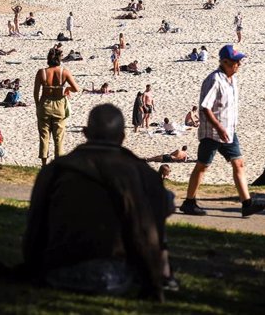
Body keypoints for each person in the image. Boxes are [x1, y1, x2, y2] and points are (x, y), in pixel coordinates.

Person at [23, 104, 175, 301]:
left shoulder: (56, 169)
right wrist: (153, 286)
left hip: (55, 269)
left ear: (85, 133)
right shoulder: (139, 172)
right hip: (111, 275)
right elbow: (143, 231)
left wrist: (33, 269)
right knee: (165, 201)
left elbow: (35, 226)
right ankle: (165, 275)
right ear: (122, 137)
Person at [180, 45, 265, 217]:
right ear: (225, 62)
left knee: (238, 163)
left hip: (229, 131)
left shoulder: (232, 80)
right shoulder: (214, 80)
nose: (239, 65)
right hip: (212, 133)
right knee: (202, 166)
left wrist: (226, 128)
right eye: (236, 62)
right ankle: (189, 202)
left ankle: (247, 204)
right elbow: (205, 107)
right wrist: (219, 128)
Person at [34, 47, 80, 166]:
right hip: (59, 104)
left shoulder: (42, 72)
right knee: (59, 137)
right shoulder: (64, 72)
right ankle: (58, 164)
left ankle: (44, 164)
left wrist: (38, 105)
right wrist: (67, 89)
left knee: (44, 136)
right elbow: (76, 88)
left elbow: (36, 92)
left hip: (45, 103)